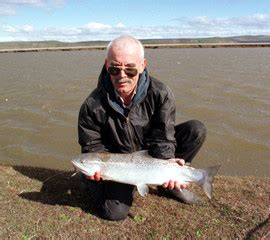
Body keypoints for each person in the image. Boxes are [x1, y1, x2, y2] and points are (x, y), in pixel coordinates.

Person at [78, 35, 206, 221]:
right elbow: (92, 147)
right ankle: (92, 183)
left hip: (151, 154)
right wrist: (95, 174)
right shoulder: (91, 105)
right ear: (107, 66)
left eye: (130, 69)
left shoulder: (160, 93)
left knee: (196, 129)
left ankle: (168, 184)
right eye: (115, 69)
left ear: (142, 65)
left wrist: (168, 163)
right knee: (114, 213)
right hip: (118, 162)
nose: (122, 76)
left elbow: (163, 136)